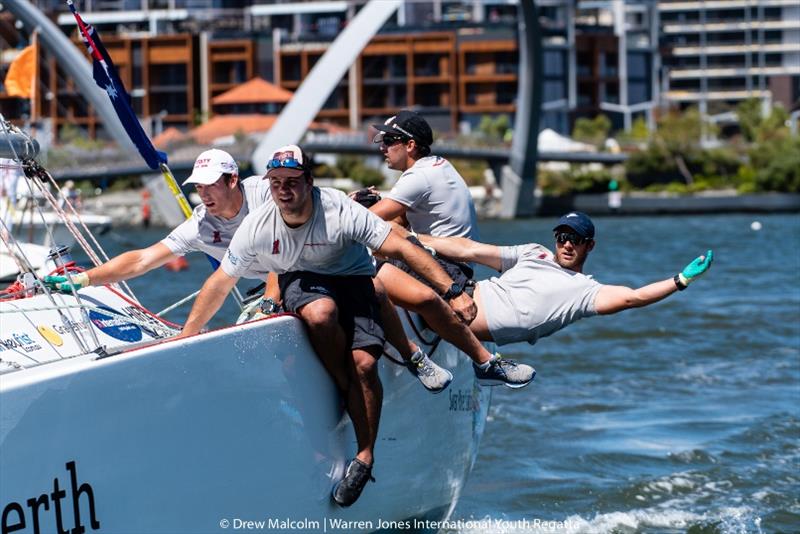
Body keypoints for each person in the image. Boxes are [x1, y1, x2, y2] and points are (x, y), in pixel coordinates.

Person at [176, 145, 481, 508]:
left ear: (309, 181)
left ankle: (366, 455)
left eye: (291, 181)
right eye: (275, 183)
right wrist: (186, 337)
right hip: (306, 283)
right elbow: (221, 282)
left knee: (369, 358)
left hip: (354, 278)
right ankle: (341, 392)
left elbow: (400, 246)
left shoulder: (338, 208)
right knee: (321, 315)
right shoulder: (257, 224)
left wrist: (454, 290)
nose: (283, 190)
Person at [364, 110, 534, 391]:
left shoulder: (418, 176)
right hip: (454, 262)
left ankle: (480, 361)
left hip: (444, 267)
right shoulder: (437, 166)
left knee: (381, 236)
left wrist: (346, 203)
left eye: (389, 139)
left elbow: (368, 220)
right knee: (392, 227)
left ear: (410, 145)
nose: (382, 146)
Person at [418, 211, 714, 346]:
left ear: (590, 245)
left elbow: (633, 297)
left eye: (575, 239)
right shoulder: (534, 253)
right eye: (562, 237)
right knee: (412, 248)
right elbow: (469, 249)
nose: (567, 244)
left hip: (459, 310)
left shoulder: (584, 292)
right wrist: (413, 239)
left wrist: (681, 280)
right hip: (458, 288)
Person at [43, 149, 271, 290]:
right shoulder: (200, 225)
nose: (204, 194)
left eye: (210, 185)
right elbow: (142, 260)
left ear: (232, 181)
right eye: (199, 187)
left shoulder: (265, 193)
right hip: (270, 286)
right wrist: (85, 279)